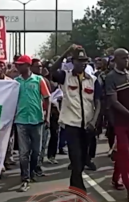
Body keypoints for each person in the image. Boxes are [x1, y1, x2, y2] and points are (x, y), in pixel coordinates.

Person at [51, 47, 102, 193]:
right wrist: (65, 52)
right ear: (72, 62)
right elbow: (52, 70)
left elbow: (98, 102)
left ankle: (74, 183)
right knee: (75, 157)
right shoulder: (65, 76)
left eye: (84, 61)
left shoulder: (92, 80)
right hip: (71, 124)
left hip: (87, 125)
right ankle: (79, 188)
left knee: (83, 157)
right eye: (78, 61)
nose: (82, 64)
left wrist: (94, 121)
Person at [105, 48, 129, 202]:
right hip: (121, 122)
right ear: (116, 59)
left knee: (127, 154)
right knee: (126, 156)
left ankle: (116, 178)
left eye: (128, 58)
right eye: (124, 58)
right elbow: (114, 102)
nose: (127, 60)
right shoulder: (111, 78)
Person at [13, 55, 50, 192]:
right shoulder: (15, 82)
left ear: (27, 66)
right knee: (23, 152)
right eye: (17, 65)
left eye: (20, 65)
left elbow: (47, 98)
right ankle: (25, 178)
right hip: (21, 121)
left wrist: (47, 116)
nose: (18, 67)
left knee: (36, 151)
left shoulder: (38, 80)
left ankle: (33, 171)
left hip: (37, 120)